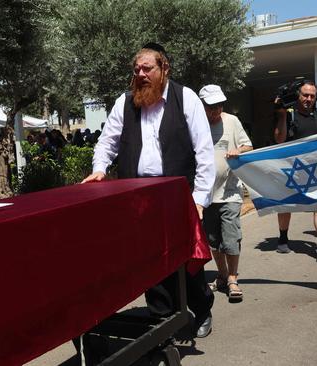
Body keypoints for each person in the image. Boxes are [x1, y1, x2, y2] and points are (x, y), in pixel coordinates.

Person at [82, 43, 215, 337]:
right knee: (149, 262)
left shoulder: (186, 99)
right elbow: (107, 142)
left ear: (164, 69)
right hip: (138, 200)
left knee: (186, 260)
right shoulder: (125, 102)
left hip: (179, 197)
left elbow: (205, 153)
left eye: (147, 69)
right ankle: (162, 318)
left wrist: (200, 200)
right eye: (137, 69)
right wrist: (100, 168)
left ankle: (201, 309)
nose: (141, 74)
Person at [273, 80, 317, 262]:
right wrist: (281, 115)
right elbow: (279, 139)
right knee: (285, 204)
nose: (308, 99)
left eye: (312, 96)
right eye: (305, 95)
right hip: (291, 168)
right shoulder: (288, 115)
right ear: (298, 96)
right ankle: (283, 238)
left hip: (316, 169)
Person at [199, 84, 253, 301]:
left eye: (219, 105)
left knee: (230, 238)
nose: (216, 110)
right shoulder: (195, 125)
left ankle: (232, 278)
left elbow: (248, 146)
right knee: (213, 240)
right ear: (202, 106)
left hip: (230, 192)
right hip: (205, 195)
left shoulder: (232, 121)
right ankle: (221, 275)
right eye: (211, 106)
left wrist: (238, 150)